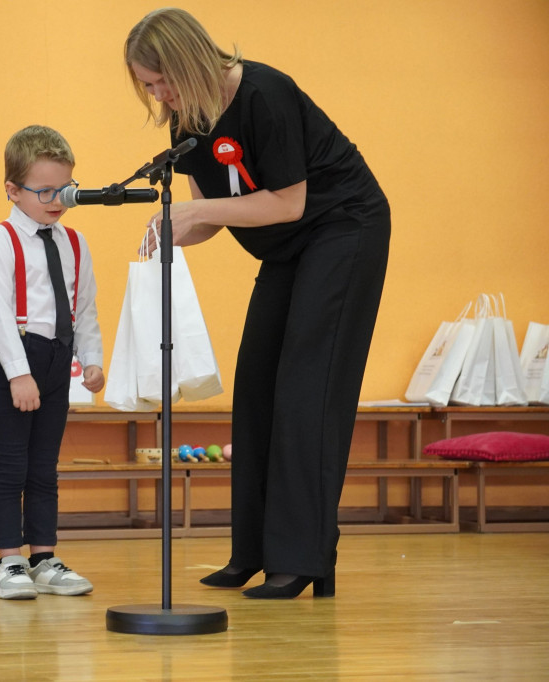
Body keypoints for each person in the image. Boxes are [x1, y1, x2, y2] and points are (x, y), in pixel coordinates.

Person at [125, 8, 390, 599]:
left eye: (162, 79)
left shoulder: (265, 93)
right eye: (147, 85)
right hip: (289, 245)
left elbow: (289, 202)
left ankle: (302, 560)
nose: (157, 94)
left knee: (306, 390)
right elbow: (212, 217)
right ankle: (254, 551)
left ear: (191, 60)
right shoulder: (185, 123)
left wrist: (195, 213)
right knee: (257, 387)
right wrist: (166, 232)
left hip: (343, 226)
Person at [0, 125, 105, 600]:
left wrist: (91, 360)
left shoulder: (74, 242)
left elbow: (84, 305)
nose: (58, 200)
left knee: (45, 467)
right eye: (45, 191)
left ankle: (43, 557)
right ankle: (9, 559)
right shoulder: (0, 239)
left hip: (57, 358)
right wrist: (18, 374)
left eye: (64, 190)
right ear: (13, 190)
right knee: (11, 466)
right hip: (17, 359)